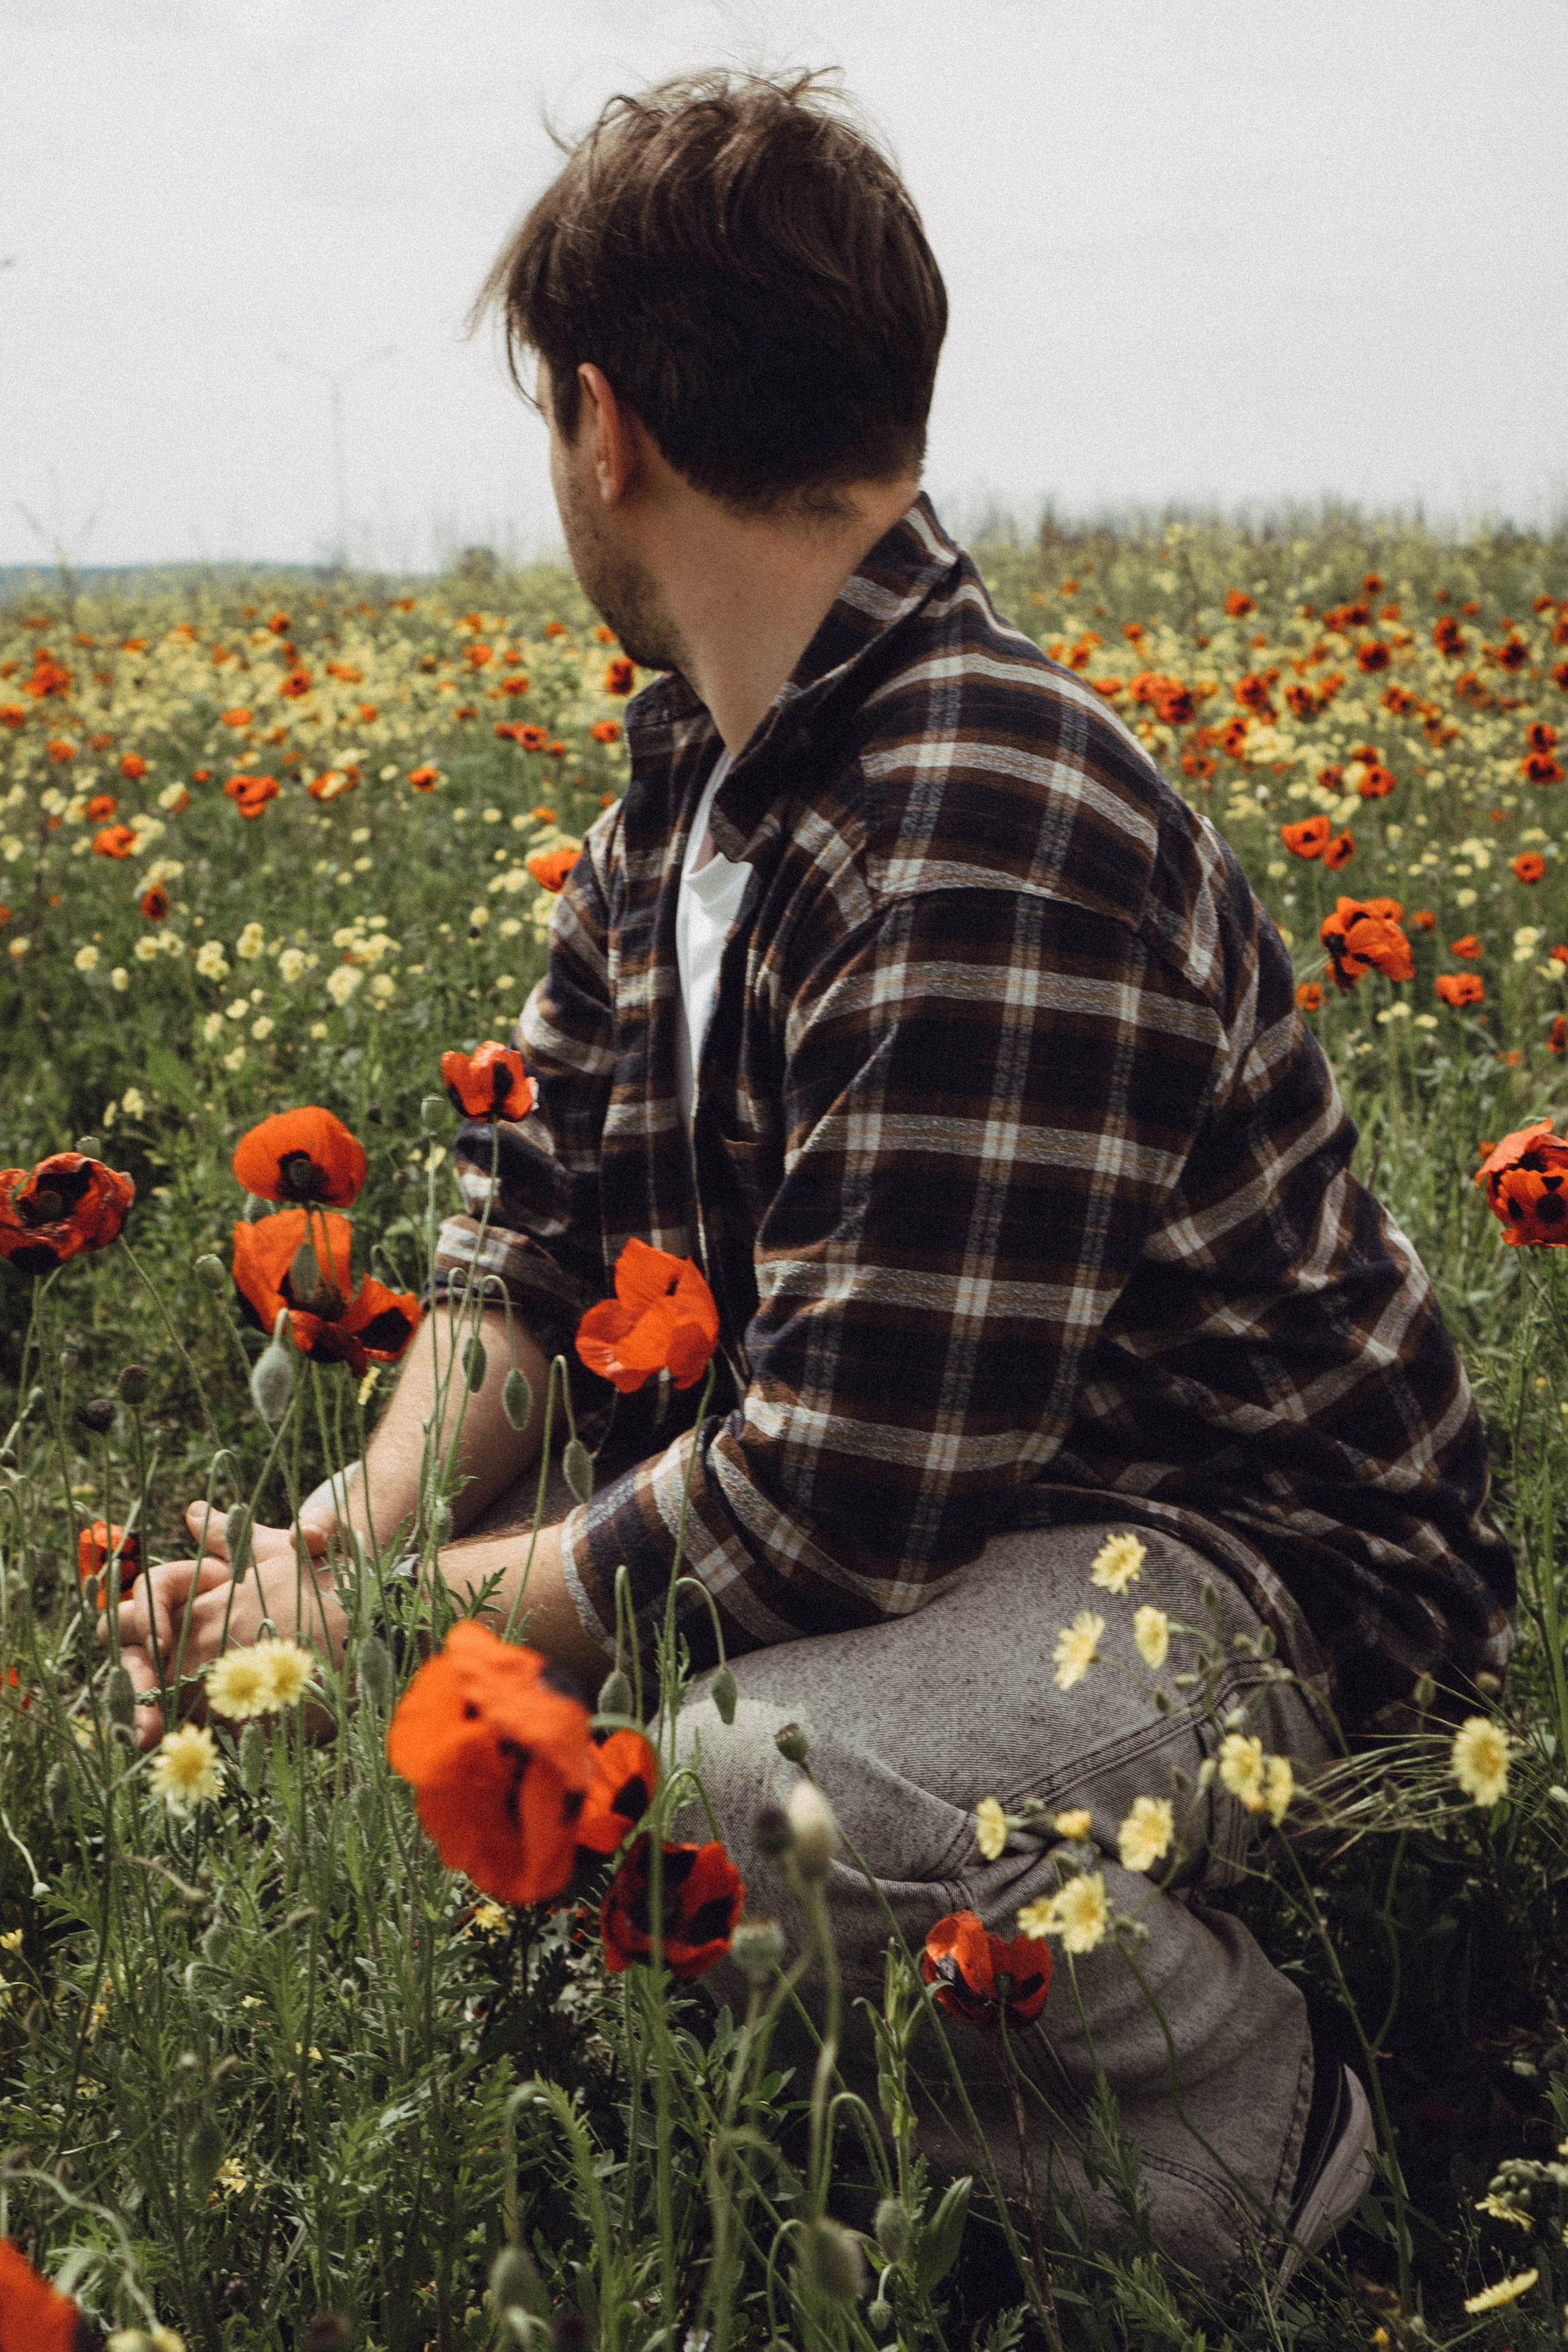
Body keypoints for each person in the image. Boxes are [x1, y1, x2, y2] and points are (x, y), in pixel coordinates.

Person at [116, 69, 1515, 2283]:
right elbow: (511, 1262)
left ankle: (1297, 2162)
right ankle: (920, 2139)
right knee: (535, 1712)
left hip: (1251, 1580)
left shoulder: (990, 808)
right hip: (973, 1541)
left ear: (604, 430)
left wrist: (387, 1625)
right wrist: (321, 1562)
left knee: (733, 1798)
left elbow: (829, 1513)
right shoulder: (682, 793)